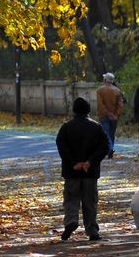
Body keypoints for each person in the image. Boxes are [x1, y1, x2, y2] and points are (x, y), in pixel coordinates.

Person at [56, 96, 110, 241]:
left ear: (74, 110)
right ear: (88, 110)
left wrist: (74, 162)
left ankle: (71, 221)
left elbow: (62, 146)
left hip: (72, 171)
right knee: (90, 201)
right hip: (90, 172)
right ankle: (92, 230)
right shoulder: (96, 127)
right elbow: (105, 146)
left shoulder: (66, 127)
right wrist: (90, 162)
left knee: (71, 198)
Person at [96, 72, 123, 158]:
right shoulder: (117, 90)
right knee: (111, 134)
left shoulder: (100, 90)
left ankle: (110, 149)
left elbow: (100, 104)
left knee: (106, 133)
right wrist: (116, 115)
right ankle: (110, 149)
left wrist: (108, 113)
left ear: (105, 79)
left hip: (103, 115)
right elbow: (120, 105)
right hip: (114, 116)